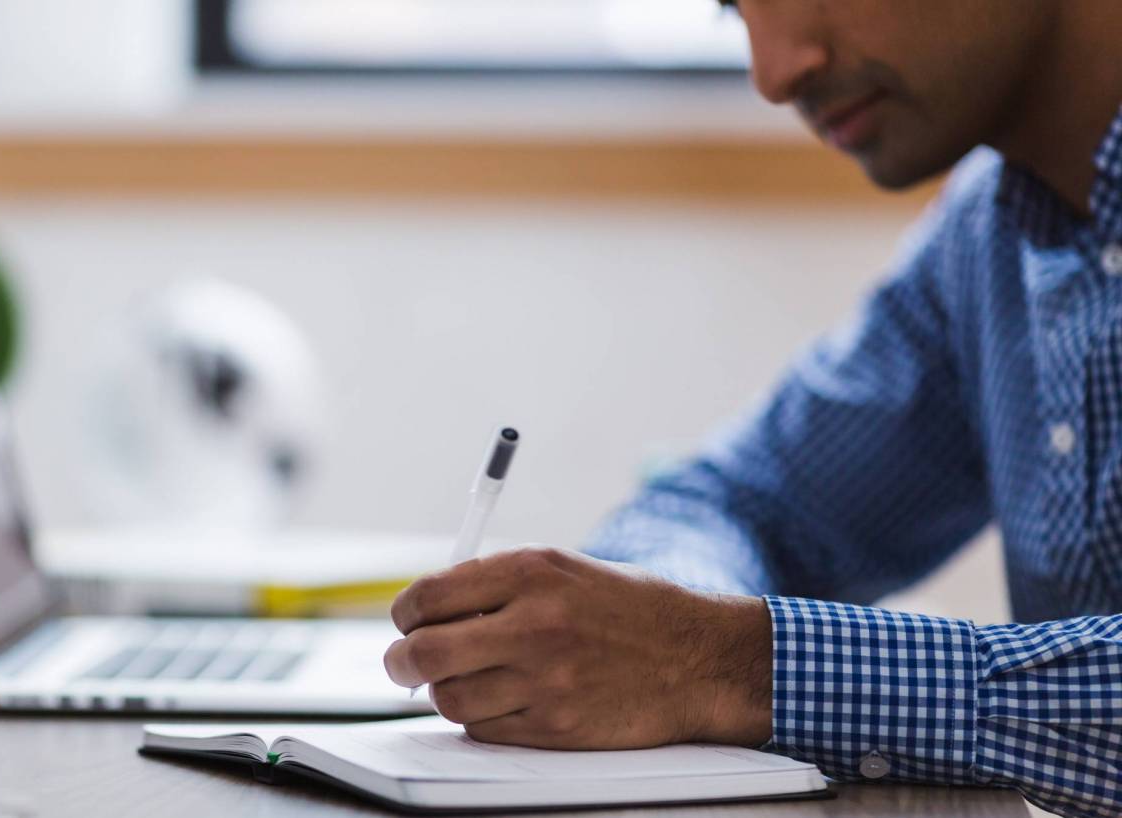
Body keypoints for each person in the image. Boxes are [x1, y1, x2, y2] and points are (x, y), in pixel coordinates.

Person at [381, 3, 1122, 816]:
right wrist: (652, 634)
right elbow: (740, 503)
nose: (774, 74)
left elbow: (718, 650)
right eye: (735, 9)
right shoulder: (991, 234)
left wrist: (729, 665)